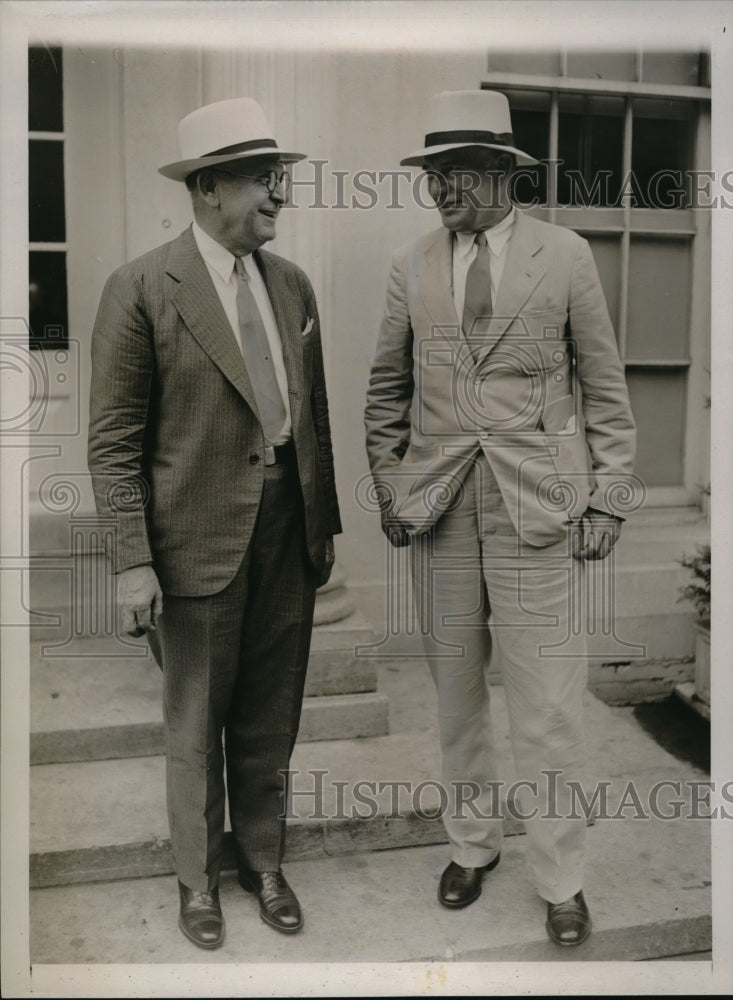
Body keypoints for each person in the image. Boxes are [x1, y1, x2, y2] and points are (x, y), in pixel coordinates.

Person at [364, 90, 636, 946]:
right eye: (431, 175)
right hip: (441, 514)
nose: (438, 190)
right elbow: (384, 392)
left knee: (548, 706)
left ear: (498, 174)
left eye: (453, 174)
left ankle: (560, 879)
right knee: (455, 701)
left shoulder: (564, 256)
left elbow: (605, 389)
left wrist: (608, 496)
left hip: (538, 511)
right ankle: (472, 847)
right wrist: (392, 490)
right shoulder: (411, 263)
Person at [88, 97, 341, 950]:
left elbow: (316, 415)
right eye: (263, 180)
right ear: (205, 187)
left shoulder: (292, 284)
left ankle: (261, 860)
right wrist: (131, 561)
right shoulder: (139, 288)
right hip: (192, 542)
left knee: (271, 711)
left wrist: (322, 528)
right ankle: (197, 879)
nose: (280, 196)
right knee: (195, 721)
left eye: (280, 178)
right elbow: (114, 442)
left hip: (287, 530)